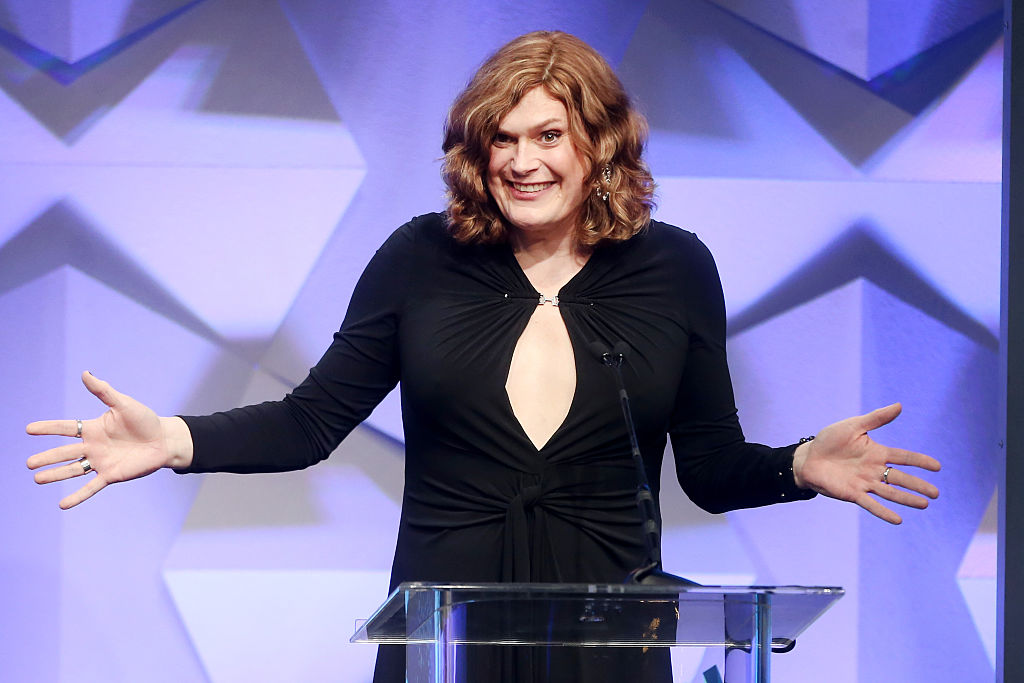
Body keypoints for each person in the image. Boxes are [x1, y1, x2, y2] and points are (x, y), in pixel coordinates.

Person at [26, 31, 940, 683]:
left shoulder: (676, 267)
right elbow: (309, 421)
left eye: (549, 135)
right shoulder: (422, 256)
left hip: (608, 645)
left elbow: (704, 466)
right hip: (443, 644)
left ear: (601, 145)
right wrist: (174, 439)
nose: (522, 161)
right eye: (500, 139)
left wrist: (796, 466)